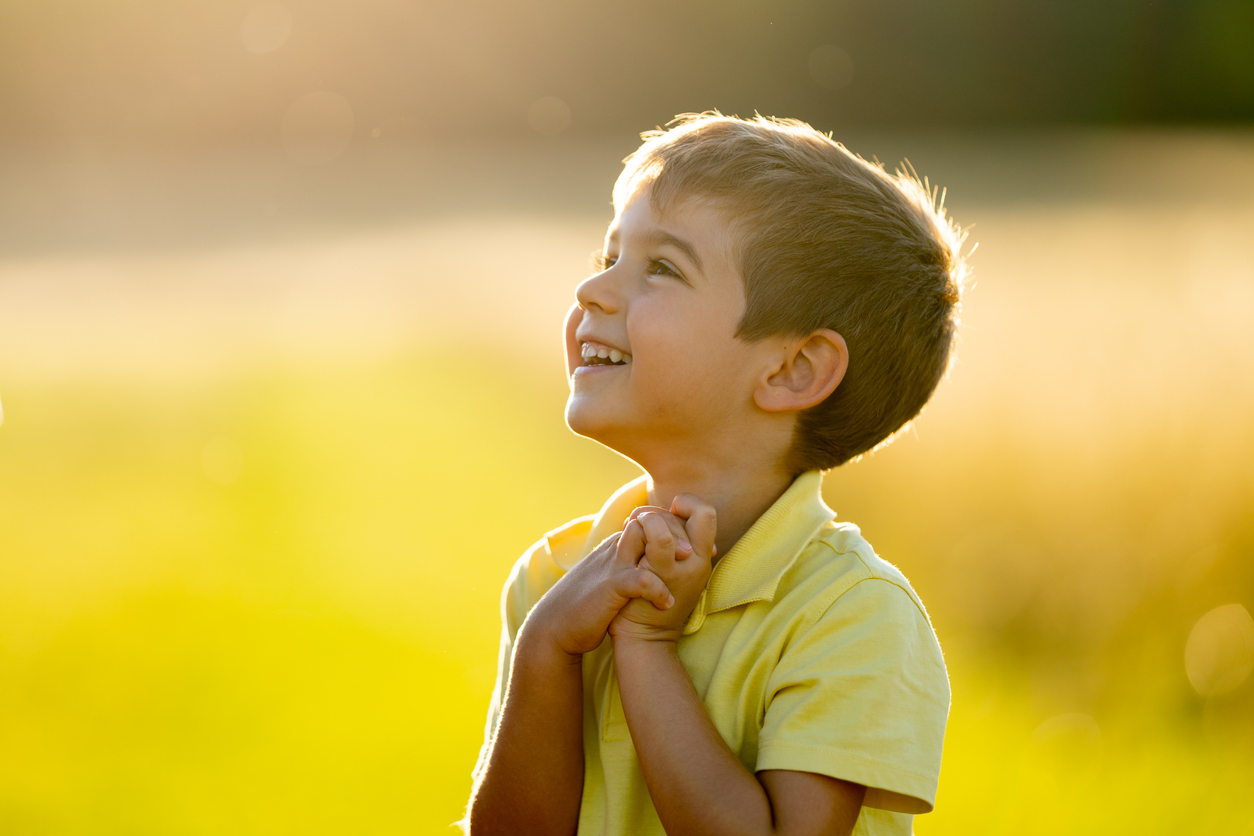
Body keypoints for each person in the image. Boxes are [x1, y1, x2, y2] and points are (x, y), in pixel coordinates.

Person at [463, 113, 968, 836]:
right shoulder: (558, 581)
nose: (592, 290)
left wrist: (644, 647)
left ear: (793, 369)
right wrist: (546, 646)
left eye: (660, 268)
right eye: (608, 255)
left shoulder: (851, 614)